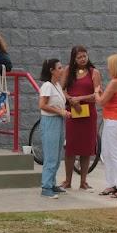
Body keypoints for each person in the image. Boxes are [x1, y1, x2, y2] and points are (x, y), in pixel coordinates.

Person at [61, 45, 102, 190]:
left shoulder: (94, 72)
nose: (83, 59)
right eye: (79, 57)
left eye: (85, 56)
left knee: (86, 148)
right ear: (74, 58)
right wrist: (71, 99)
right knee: (71, 147)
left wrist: (79, 98)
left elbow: (97, 95)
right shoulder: (67, 71)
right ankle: (67, 180)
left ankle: (83, 181)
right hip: (72, 113)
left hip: (88, 115)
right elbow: (62, 90)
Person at [94, 53, 117, 199]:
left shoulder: (115, 82)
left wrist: (97, 92)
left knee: (115, 154)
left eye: (110, 65)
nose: (108, 68)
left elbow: (101, 102)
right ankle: (111, 184)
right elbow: (114, 99)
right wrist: (102, 94)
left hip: (115, 121)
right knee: (107, 154)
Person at [38, 58, 69, 199]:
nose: (62, 70)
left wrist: (64, 111)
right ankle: (46, 187)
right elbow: (42, 105)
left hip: (58, 121)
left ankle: (52, 183)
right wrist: (60, 112)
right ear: (52, 70)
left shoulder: (56, 85)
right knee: (50, 156)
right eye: (59, 68)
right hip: (50, 122)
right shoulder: (47, 86)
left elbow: (59, 104)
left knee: (56, 156)